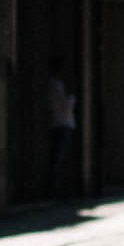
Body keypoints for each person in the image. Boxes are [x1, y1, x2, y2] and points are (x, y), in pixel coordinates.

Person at [46, 58, 78, 196]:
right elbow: (62, 106)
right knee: (58, 157)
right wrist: (72, 97)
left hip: (61, 122)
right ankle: (55, 189)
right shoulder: (55, 85)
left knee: (59, 157)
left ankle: (57, 188)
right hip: (61, 123)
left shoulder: (56, 84)